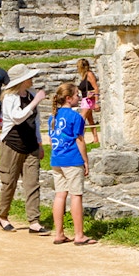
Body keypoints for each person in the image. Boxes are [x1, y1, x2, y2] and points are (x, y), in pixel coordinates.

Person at [0, 64, 48, 234]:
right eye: (29, 77)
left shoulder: (32, 94)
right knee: (9, 183)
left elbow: (36, 122)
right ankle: (3, 217)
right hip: (12, 145)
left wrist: (39, 144)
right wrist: (35, 102)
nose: (32, 79)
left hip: (31, 145)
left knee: (32, 183)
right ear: (22, 80)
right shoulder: (10, 98)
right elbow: (17, 118)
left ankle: (34, 221)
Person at [48, 83, 95, 245]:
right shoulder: (75, 117)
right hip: (72, 159)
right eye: (77, 95)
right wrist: (86, 161)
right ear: (69, 98)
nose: (79, 98)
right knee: (76, 195)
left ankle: (59, 233)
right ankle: (79, 235)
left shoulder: (52, 117)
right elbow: (80, 140)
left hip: (56, 159)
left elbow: (51, 139)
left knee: (60, 195)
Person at [76, 58, 100, 145]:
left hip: (89, 100)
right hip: (85, 99)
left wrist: (96, 101)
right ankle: (95, 138)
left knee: (82, 119)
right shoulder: (84, 76)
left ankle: (80, 138)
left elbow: (96, 88)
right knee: (90, 120)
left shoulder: (89, 74)